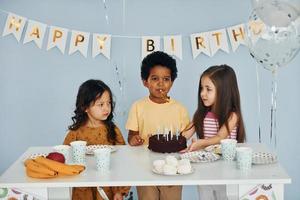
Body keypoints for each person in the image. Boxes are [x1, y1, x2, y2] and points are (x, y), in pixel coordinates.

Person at [126, 51, 190, 200]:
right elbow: (131, 136)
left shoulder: (180, 109)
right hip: (144, 168)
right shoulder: (138, 106)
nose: (161, 83)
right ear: (145, 81)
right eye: (155, 79)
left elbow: (184, 139)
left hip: (172, 168)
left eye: (166, 79)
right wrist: (134, 139)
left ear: (172, 82)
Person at [181, 64, 246, 200]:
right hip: (205, 168)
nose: (202, 93)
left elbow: (220, 137)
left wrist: (200, 143)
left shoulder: (232, 116)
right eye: (201, 88)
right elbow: (184, 135)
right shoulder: (200, 114)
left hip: (226, 169)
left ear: (224, 91)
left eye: (208, 89)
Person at [63, 79, 130, 200]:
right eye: (101, 104)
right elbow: (65, 161)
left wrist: (120, 191)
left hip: (108, 188)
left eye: (108, 103)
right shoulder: (75, 133)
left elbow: (123, 162)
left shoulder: (113, 130)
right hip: (82, 189)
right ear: (85, 107)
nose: (106, 108)